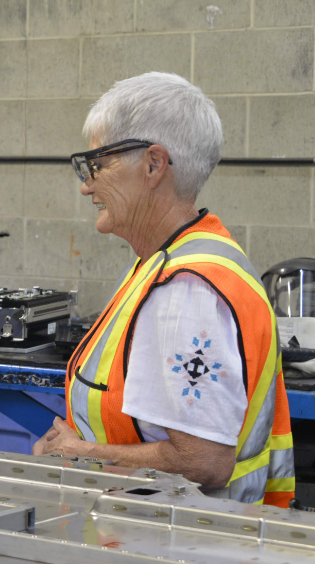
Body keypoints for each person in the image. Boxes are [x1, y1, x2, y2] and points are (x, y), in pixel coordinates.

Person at [33, 72, 294, 507]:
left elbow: (203, 461)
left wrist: (80, 454)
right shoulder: (165, 262)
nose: (87, 184)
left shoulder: (188, 290)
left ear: (154, 164)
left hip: (192, 548)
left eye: (97, 163)